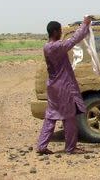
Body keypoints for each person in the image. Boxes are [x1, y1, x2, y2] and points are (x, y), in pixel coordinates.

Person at [36, 16, 92, 154]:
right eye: (60, 31)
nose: (61, 33)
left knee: (51, 116)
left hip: (53, 86)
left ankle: (42, 146)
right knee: (69, 117)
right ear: (55, 32)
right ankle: (70, 147)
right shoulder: (57, 46)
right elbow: (74, 40)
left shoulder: (47, 46)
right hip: (63, 87)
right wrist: (84, 25)